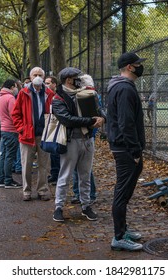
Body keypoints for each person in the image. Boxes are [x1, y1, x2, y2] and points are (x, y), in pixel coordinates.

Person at [52, 67, 105, 222]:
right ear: (69, 79)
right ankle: (58, 208)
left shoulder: (85, 93)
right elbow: (66, 119)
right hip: (70, 141)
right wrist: (91, 121)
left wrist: (102, 118)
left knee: (85, 175)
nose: (80, 80)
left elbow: (99, 110)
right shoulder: (58, 99)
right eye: (77, 78)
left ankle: (86, 206)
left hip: (87, 140)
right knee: (65, 175)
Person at [106, 52, 146, 251]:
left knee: (124, 191)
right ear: (130, 67)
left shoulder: (120, 86)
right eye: (138, 64)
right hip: (126, 149)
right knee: (122, 193)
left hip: (124, 147)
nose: (141, 66)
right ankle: (119, 237)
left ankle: (122, 230)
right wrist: (135, 150)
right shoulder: (124, 89)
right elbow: (126, 123)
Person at [12, 67, 55, 201]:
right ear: (30, 77)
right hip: (27, 136)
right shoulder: (23, 93)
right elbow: (15, 114)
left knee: (44, 165)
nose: (37, 77)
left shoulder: (49, 93)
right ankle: (27, 191)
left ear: (43, 77)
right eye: (35, 74)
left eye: (40, 75)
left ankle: (42, 190)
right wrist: (22, 129)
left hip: (44, 135)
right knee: (26, 165)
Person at [70, 74, 105, 205]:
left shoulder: (92, 95)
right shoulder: (89, 94)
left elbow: (97, 115)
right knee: (80, 167)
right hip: (84, 134)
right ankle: (80, 193)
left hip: (86, 135)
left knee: (83, 168)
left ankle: (86, 193)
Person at [0, 79, 22, 189]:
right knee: (10, 156)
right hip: (11, 130)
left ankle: (1, 179)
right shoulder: (10, 98)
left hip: (4, 129)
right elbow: (14, 115)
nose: (16, 89)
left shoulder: (1, 97)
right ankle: (8, 180)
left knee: (3, 155)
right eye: (16, 87)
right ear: (12, 87)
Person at [45, 75, 60, 184]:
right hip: (50, 125)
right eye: (45, 83)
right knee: (52, 152)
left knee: (57, 152)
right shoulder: (46, 95)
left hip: (58, 126)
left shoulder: (58, 95)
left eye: (48, 83)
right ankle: (54, 173)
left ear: (54, 84)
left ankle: (58, 175)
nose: (46, 85)